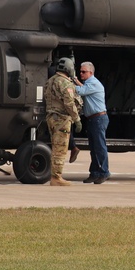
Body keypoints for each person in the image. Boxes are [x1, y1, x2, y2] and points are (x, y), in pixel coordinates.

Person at [44, 57, 81, 186]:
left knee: (55, 147)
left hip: (51, 118)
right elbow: (69, 103)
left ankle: (55, 175)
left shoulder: (50, 81)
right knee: (60, 148)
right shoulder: (65, 83)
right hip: (62, 119)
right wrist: (77, 119)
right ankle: (56, 177)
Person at [74, 61, 110, 185]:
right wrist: (76, 81)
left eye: (83, 72)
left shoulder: (94, 83)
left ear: (91, 72)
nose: (81, 73)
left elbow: (80, 91)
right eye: (80, 71)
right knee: (93, 148)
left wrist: (67, 83)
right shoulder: (88, 84)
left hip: (98, 119)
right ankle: (94, 173)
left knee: (100, 147)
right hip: (93, 119)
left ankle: (104, 172)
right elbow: (83, 88)